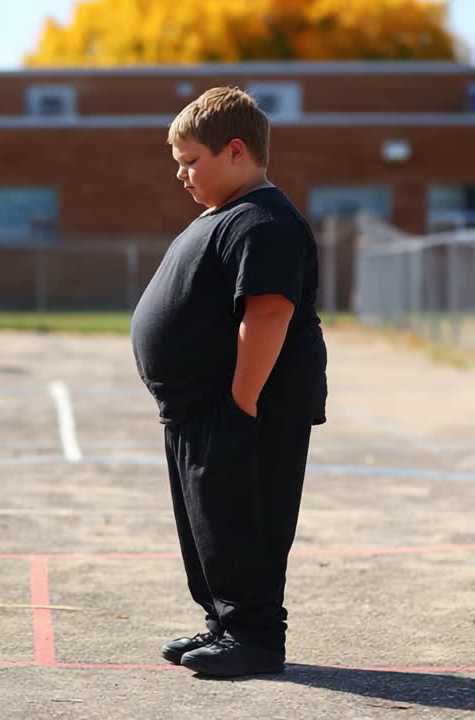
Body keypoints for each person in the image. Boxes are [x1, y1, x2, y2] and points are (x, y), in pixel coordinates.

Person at [130, 86, 329, 678]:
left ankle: (254, 635)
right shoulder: (227, 214)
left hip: (246, 405)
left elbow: (267, 312)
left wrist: (241, 404)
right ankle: (224, 622)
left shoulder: (263, 220)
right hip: (204, 405)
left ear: (236, 151)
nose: (183, 175)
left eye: (192, 161)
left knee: (247, 517)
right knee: (210, 518)